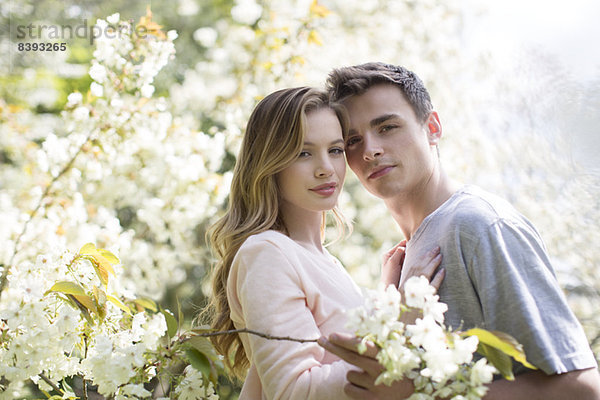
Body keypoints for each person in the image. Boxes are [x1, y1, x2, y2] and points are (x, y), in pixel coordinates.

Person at [318, 62, 600, 399]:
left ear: (433, 127)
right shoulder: (405, 258)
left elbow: (581, 389)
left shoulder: (478, 224)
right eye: (352, 141)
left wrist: (417, 395)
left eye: (388, 127)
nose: (370, 150)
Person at [205, 86, 444, 399]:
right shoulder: (267, 253)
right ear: (270, 163)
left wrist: (386, 300)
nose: (326, 169)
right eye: (304, 153)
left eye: (335, 150)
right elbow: (294, 390)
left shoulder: (325, 261)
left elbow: (339, 348)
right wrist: (399, 325)